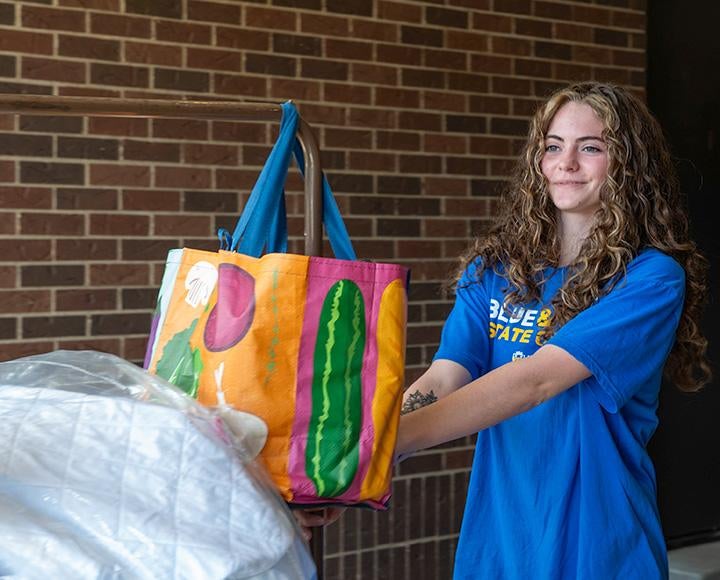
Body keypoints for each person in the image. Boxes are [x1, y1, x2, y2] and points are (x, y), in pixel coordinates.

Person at [395, 81, 712, 579]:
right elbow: (444, 377)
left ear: (628, 165)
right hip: (499, 540)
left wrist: (391, 442)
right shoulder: (494, 268)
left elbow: (535, 381)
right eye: (553, 146)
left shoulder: (650, 278)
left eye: (591, 147)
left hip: (599, 543)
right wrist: (367, 446)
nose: (566, 163)